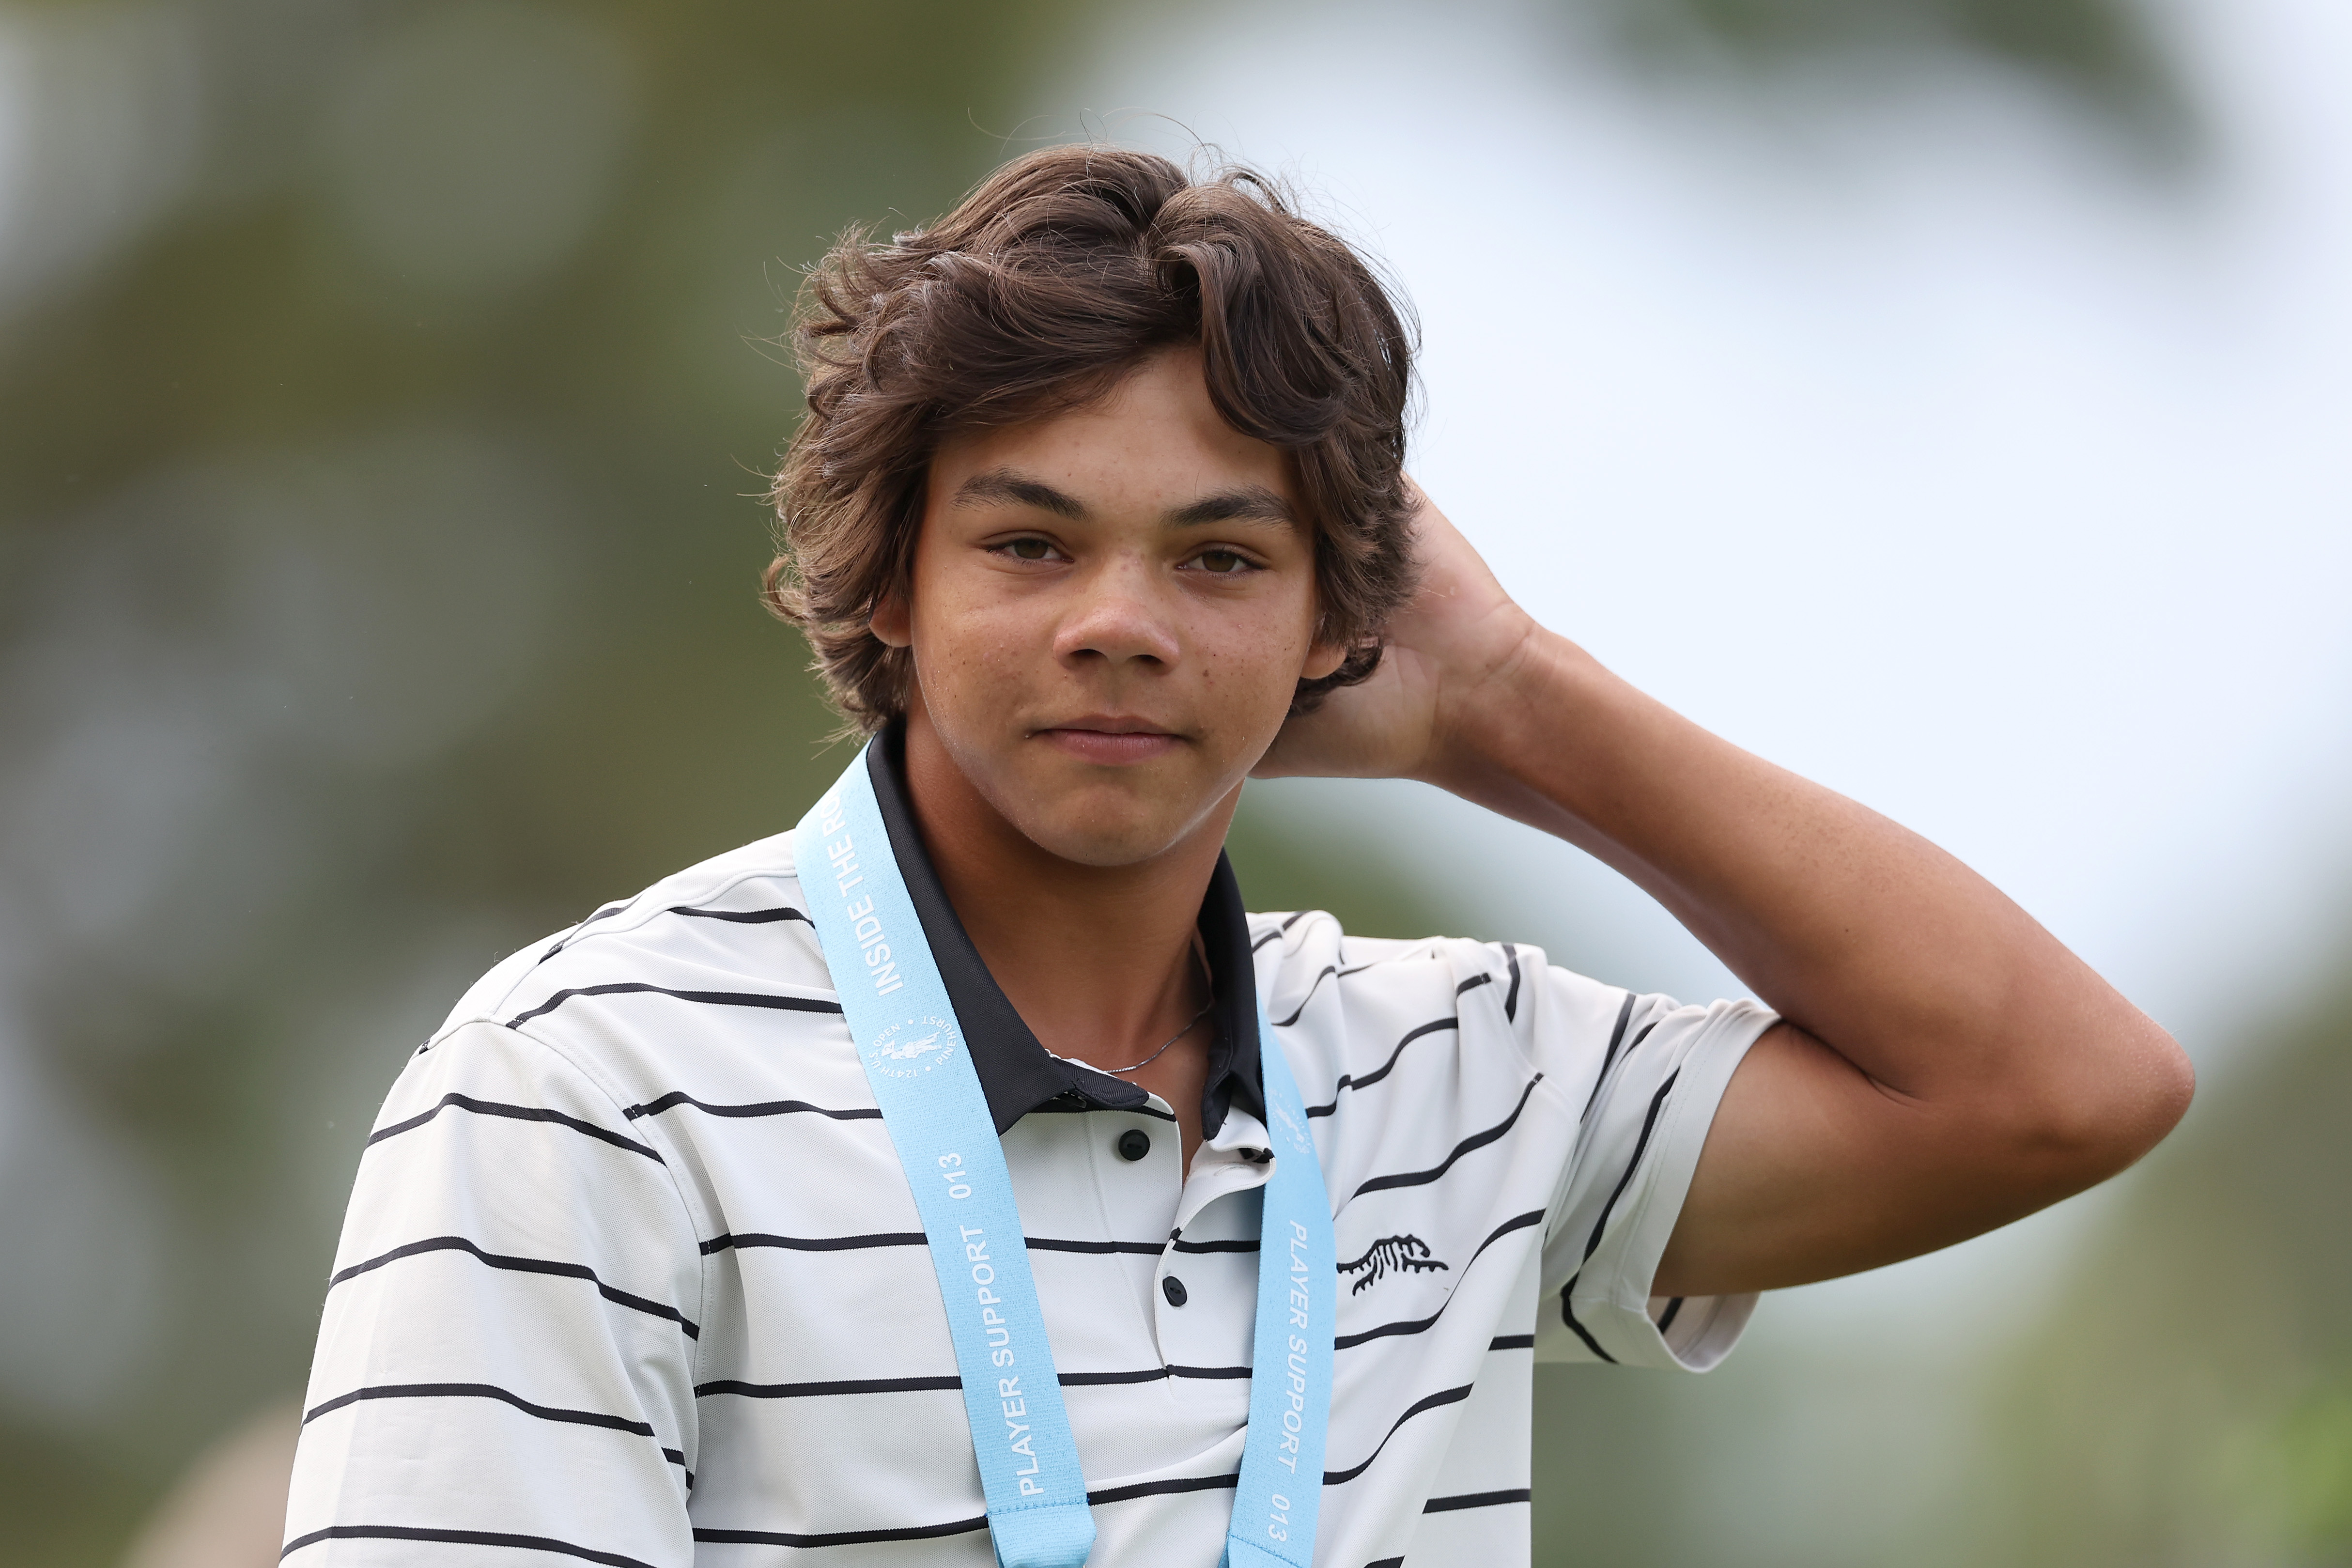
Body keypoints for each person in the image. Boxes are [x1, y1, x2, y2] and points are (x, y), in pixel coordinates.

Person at [280, 146, 2193, 1568]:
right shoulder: (586, 1083)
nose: (1119, 622)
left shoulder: (1458, 1074)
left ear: (1329, 623)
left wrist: (1511, 700)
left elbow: (2056, 1087)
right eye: (1029, 544)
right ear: (889, 580)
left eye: (1219, 557)